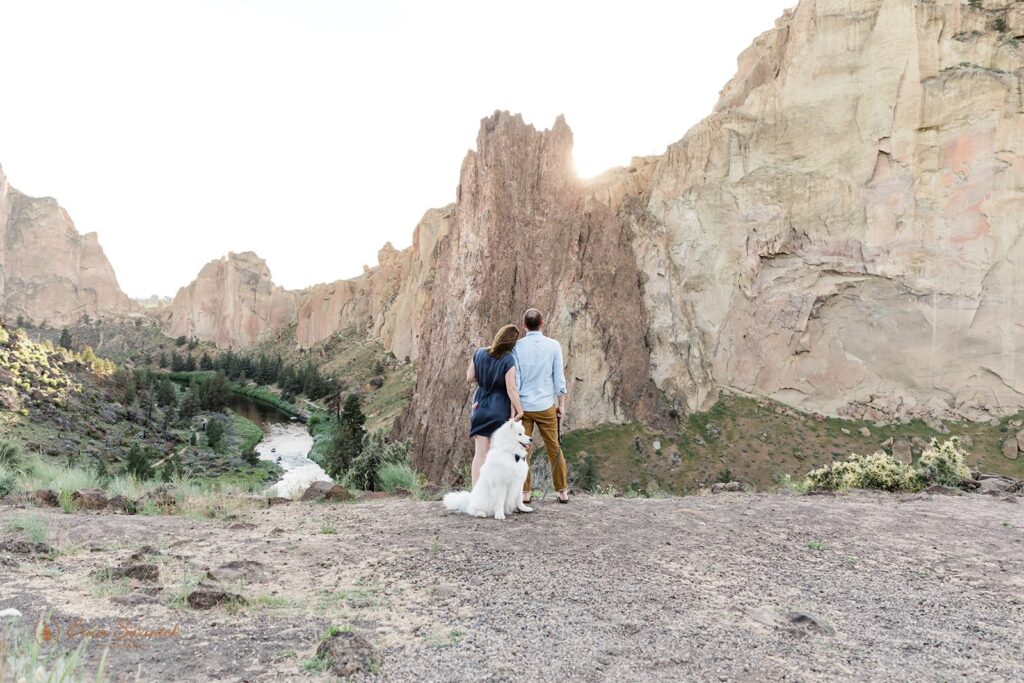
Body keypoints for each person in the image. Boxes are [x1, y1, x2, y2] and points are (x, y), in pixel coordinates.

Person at [513, 308, 570, 504]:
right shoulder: (554, 346)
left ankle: (525, 492)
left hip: (525, 407)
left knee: (522, 449)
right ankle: (562, 491)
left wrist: (516, 408)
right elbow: (558, 378)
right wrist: (561, 404)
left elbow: (516, 380)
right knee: (553, 447)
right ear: (542, 323)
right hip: (546, 406)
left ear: (524, 326)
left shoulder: (517, 347)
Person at [466, 324, 525, 486]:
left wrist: (486, 379)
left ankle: (476, 494)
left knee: (479, 455)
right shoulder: (508, 360)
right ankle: (494, 494)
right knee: (496, 455)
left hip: (480, 408)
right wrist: (520, 411)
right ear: (512, 344)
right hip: (499, 410)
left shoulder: (479, 353)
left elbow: (470, 378)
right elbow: (511, 389)